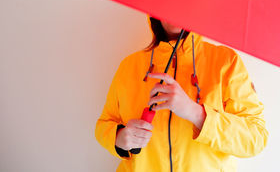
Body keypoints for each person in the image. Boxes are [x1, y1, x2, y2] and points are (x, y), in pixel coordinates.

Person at [95, 15, 268, 172]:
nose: (173, 11)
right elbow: (104, 124)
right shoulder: (129, 66)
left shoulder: (226, 63)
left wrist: (197, 114)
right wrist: (119, 138)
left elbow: (255, 137)